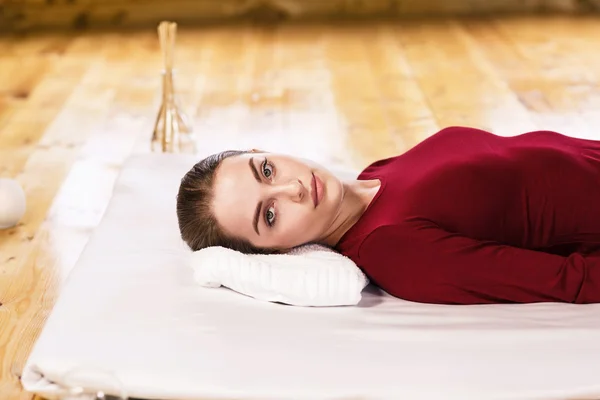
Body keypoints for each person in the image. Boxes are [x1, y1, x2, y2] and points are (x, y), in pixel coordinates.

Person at [176, 126, 600, 305]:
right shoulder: (394, 250)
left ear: (261, 150)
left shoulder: (374, 173)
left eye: (266, 170)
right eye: (269, 216)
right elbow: (568, 281)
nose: (293, 188)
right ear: (276, 252)